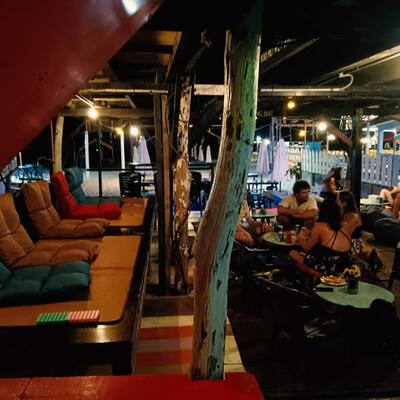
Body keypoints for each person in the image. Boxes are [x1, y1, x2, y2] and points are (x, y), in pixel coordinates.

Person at [289, 200, 352, 279]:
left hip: (328, 269)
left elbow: (306, 248)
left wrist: (299, 236)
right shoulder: (345, 225)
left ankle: (314, 278)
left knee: (293, 253)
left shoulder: (320, 226)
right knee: (310, 255)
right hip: (344, 266)